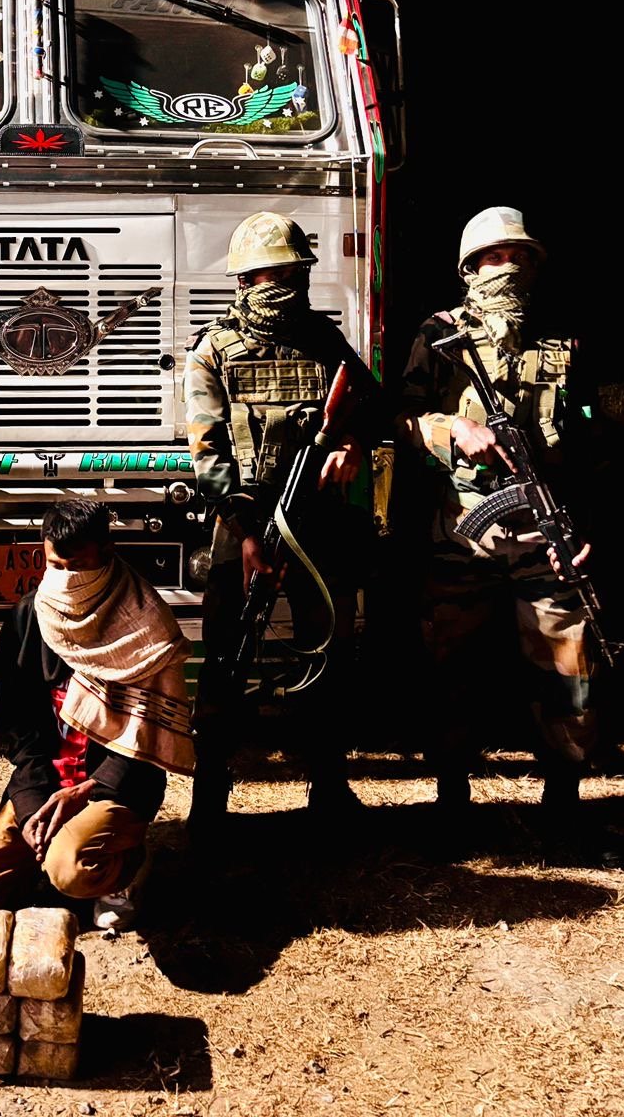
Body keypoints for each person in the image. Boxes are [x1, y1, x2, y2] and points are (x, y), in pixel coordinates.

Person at [397, 206, 605, 852]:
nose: (507, 268)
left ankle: (564, 806)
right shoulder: (438, 335)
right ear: (470, 268)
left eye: (519, 258)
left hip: (547, 538)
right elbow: (400, 419)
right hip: (462, 532)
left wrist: (587, 528)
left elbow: (592, 444)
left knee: (571, 672)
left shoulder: (563, 344)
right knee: (451, 671)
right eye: (494, 257)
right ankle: (451, 803)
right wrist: (452, 429)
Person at [183, 210, 381, 838]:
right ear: (243, 280)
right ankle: (210, 794)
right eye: (269, 274)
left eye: (292, 274)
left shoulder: (325, 342)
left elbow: (372, 408)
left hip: (319, 522)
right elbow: (208, 451)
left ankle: (329, 786)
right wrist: (245, 532)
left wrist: (352, 444)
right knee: (227, 657)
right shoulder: (214, 349)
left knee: (329, 654)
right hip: (245, 522)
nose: (282, 285)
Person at [0, 497, 194, 931]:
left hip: (112, 787)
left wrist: (83, 793)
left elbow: (145, 741)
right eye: (55, 565)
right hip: (46, 782)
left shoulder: (146, 622)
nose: (66, 578)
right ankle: (48, 853)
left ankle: (127, 868)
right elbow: (18, 723)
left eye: (78, 566)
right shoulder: (31, 615)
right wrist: (31, 806)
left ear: (107, 553)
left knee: (70, 871)